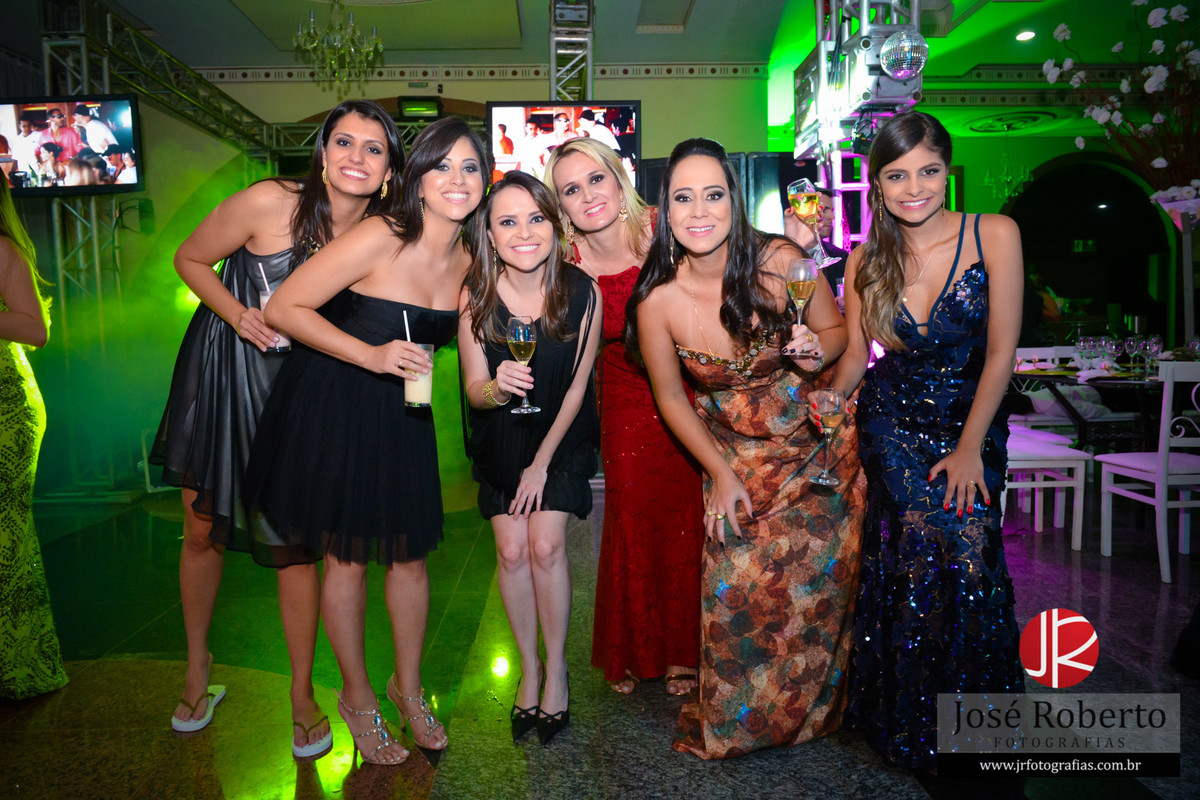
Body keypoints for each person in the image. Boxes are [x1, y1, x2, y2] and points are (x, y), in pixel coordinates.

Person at [150, 99, 403, 757]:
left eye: (373, 148)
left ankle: (301, 693)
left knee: (295, 542)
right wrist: (237, 314)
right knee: (200, 526)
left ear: (388, 171)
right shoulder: (270, 201)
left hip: (304, 389)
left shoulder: (380, 235)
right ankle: (197, 666)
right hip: (228, 370)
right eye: (343, 142)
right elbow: (189, 259)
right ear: (322, 152)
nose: (356, 157)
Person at [243, 116, 487, 765]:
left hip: (406, 415)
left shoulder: (472, 259)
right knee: (346, 560)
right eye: (442, 166)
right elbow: (284, 307)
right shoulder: (382, 233)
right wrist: (371, 356)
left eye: (470, 167)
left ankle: (408, 689)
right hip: (335, 403)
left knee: (410, 559)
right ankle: (356, 697)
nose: (457, 179)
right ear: (417, 178)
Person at [626, 137, 865, 760]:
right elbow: (672, 399)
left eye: (713, 194)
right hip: (737, 459)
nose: (699, 210)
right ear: (665, 210)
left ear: (733, 201)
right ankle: (742, 723)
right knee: (739, 593)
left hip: (817, 450)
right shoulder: (656, 301)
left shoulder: (783, 261)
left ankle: (811, 716)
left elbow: (836, 332)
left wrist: (816, 349)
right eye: (683, 197)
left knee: (818, 596)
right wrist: (720, 474)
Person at [824, 111, 1025, 771]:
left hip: (972, 420)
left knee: (970, 559)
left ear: (947, 171)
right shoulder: (865, 258)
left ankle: (975, 726)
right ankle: (909, 725)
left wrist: (969, 449)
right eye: (897, 175)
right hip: (892, 422)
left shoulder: (995, 234)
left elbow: (1002, 354)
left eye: (928, 171)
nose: (914, 188)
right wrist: (830, 395)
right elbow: (858, 356)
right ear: (877, 185)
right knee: (914, 555)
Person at [544, 137, 703, 696]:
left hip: (691, 382)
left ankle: (685, 651)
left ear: (619, 178)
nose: (588, 195)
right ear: (560, 205)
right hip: (625, 394)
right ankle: (636, 646)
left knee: (690, 513)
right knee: (633, 512)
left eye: (596, 179)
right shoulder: (564, 261)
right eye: (571, 189)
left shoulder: (665, 228)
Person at [460, 170, 601, 746]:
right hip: (501, 437)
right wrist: (497, 388)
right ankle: (530, 668)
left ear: (555, 225)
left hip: (560, 439)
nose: (524, 232)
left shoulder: (582, 290)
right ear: (490, 235)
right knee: (511, 551)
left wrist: (543, 463)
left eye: (536, 218)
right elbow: (473, 390)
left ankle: (558, 671)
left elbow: (577, 387)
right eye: (508, 221)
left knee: (544, 545)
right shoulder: (475, 294)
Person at [0, 176, 69, 700]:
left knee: (6, 534)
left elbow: (35, 329)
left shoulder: (4, 250)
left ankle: (21, 665)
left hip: (6, 406)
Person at [35, 109, 82, 174]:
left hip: (70, 170)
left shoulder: (70, 133)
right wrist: (39, 163)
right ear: (51, 119)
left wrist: (71, 159)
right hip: (51, 172)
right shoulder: (43, 135)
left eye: (63, 116)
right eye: (59, 116)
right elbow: (36, 152)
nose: (62, 118)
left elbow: (80, 150)